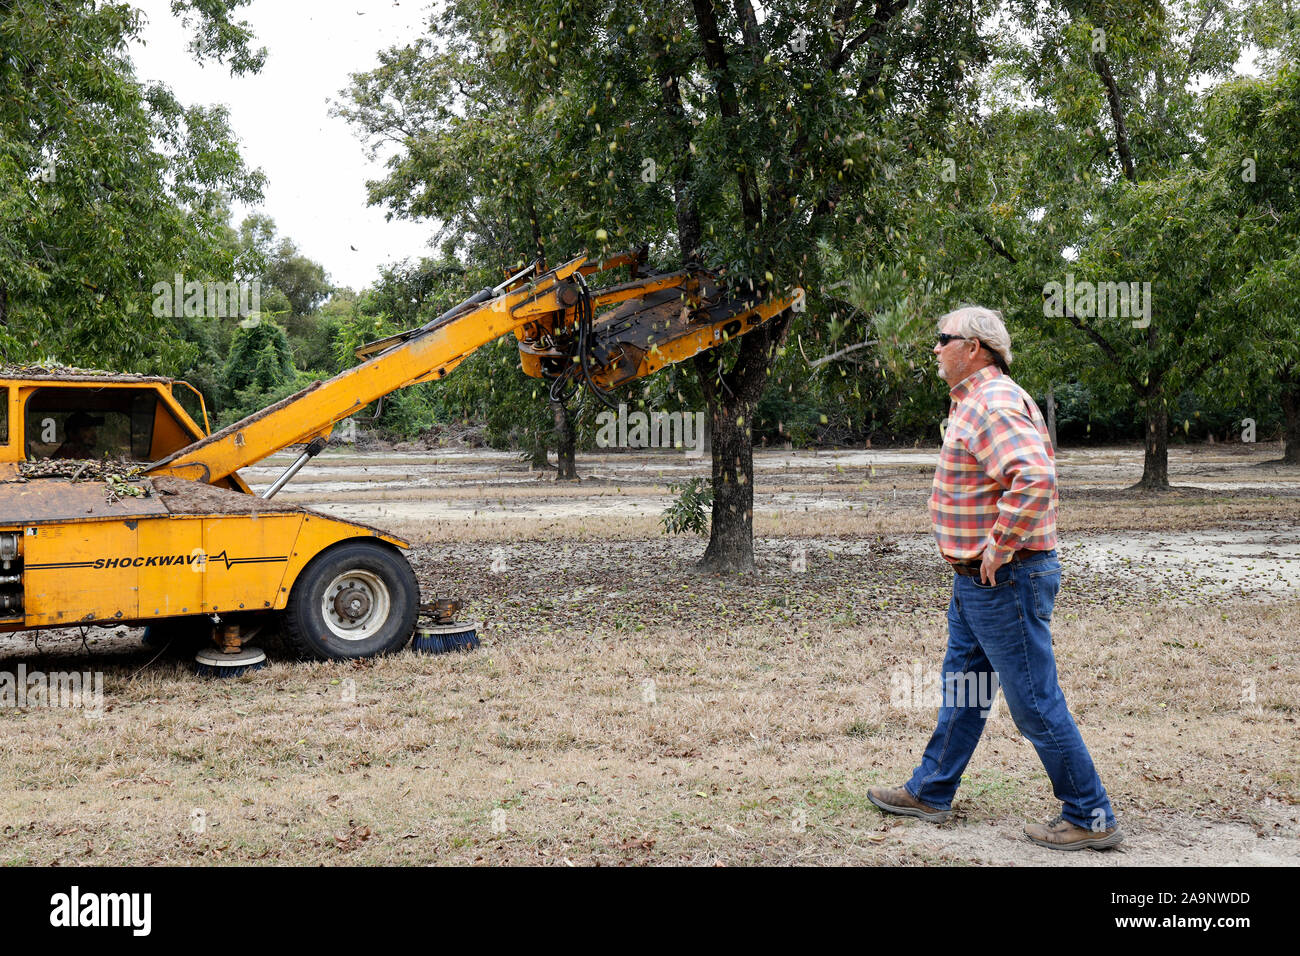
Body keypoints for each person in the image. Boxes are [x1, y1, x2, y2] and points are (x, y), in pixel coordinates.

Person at [867, 306, 1123, 851]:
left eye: (943, 339)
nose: (935, 349)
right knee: (963, 686)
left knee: (1032, 700)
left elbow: (1034, 478)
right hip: (979, 583)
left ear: (975, 347)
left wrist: (1000, 546)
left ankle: (1089, 815)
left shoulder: (993, 401)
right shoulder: (978, 399)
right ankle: (931, 791)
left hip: (1005, 578)